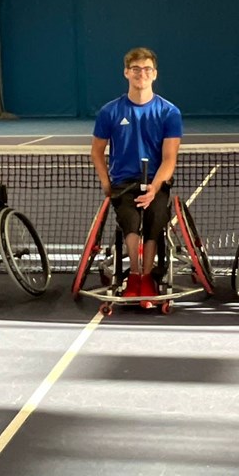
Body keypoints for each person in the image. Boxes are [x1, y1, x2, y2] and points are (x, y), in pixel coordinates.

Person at [91, 47, 183, 301]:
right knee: (130, 221)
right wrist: (106, 182)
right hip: (123, 184)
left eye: (146, 69)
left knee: (155, 219)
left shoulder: (169, 112)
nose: (141, 74)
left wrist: (154, 188)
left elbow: (169, 158)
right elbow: (97, 152)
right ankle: (134, 275)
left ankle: (147, 274)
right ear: (126, 73)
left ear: (154, 74)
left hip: (156, 182)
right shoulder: (110, 112)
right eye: (135, 69)